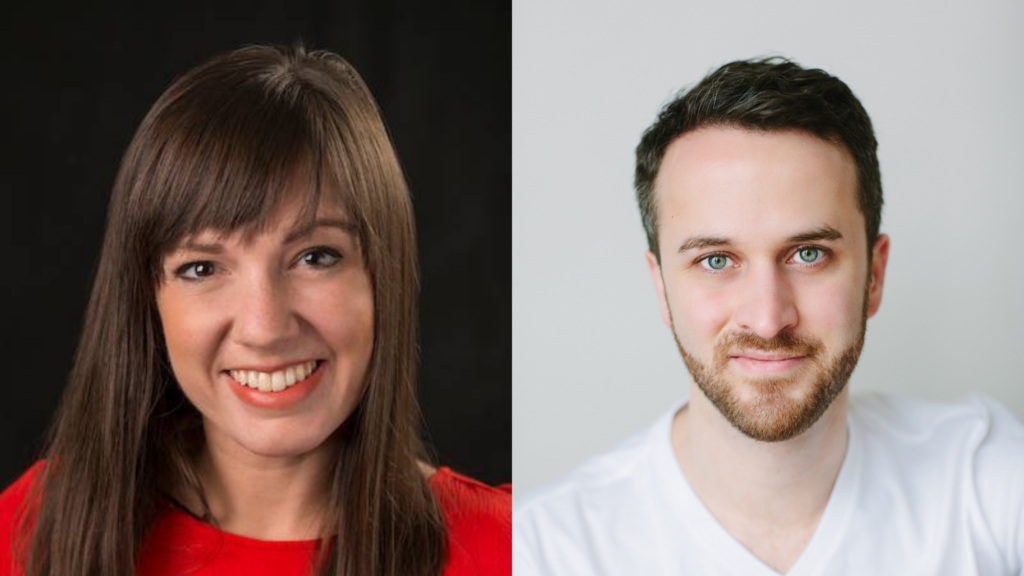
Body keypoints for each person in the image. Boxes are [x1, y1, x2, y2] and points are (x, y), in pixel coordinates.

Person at [0, 44, 510, 576]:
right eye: (202, 268)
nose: (265, 327)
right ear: (147, 300)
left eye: (315, 257)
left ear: (385, 277)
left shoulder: (520, 552)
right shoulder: (33, 531)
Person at [512, 57, 1024, 575]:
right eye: (716, 261)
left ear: (875, 274)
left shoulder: (986, 481)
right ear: (660, 287)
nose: (766, 318)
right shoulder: (548, 549)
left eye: (808, 254)